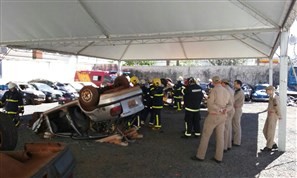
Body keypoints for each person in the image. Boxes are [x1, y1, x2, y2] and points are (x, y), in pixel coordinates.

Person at [191, 76, 232, 163]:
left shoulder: (213, 90)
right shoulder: (226, 91)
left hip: (214, 115)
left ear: (213, 82)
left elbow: (210, 104)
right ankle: (219, 157)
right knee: (220, 137)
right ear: (220, 81)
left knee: (206, 135)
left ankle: (200, 156)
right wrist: (225, 109)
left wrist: (219, 109)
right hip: (223, 116)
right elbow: (230, 105)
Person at [260, 85, 281, 151]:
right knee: (265, 131)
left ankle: (269, 147)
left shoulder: (274, 97)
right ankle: (273, 144)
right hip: (269, 115)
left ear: (271, 90)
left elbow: (277, 107)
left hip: (273, 115)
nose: (266, 92)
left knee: (270, 131)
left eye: (267, 90)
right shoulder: (271, 97)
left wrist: (279, 115)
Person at [221, 79, 235, 151]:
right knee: (229, 128)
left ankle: (224, 147)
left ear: (223, 83)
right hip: (231, 109)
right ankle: (228, 145)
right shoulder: (231, 89)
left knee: (225, 129)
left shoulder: (225, 90)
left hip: (227, 109)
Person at [232, 80, 245, 146]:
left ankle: (237, 141)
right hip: (236, 109)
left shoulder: (240, 92)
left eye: (235, 84)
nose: (234, 85)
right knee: (234, 125)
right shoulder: (237, 91)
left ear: (238, 84)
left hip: (237, 109)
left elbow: (233, 99)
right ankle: (235, 139)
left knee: (236, 125)